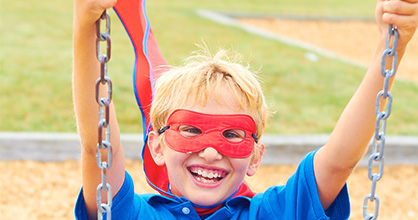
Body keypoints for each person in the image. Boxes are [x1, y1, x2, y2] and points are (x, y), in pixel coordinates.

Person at [72, 0, 418, 219]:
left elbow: (339, 161)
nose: (210, 150)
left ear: (255, 156)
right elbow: (97, 147)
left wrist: (391, 46)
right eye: (191, 129)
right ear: (157, 146)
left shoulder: (274, 213)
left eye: (232, 134)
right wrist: (85, 24)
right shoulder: (130, 214)